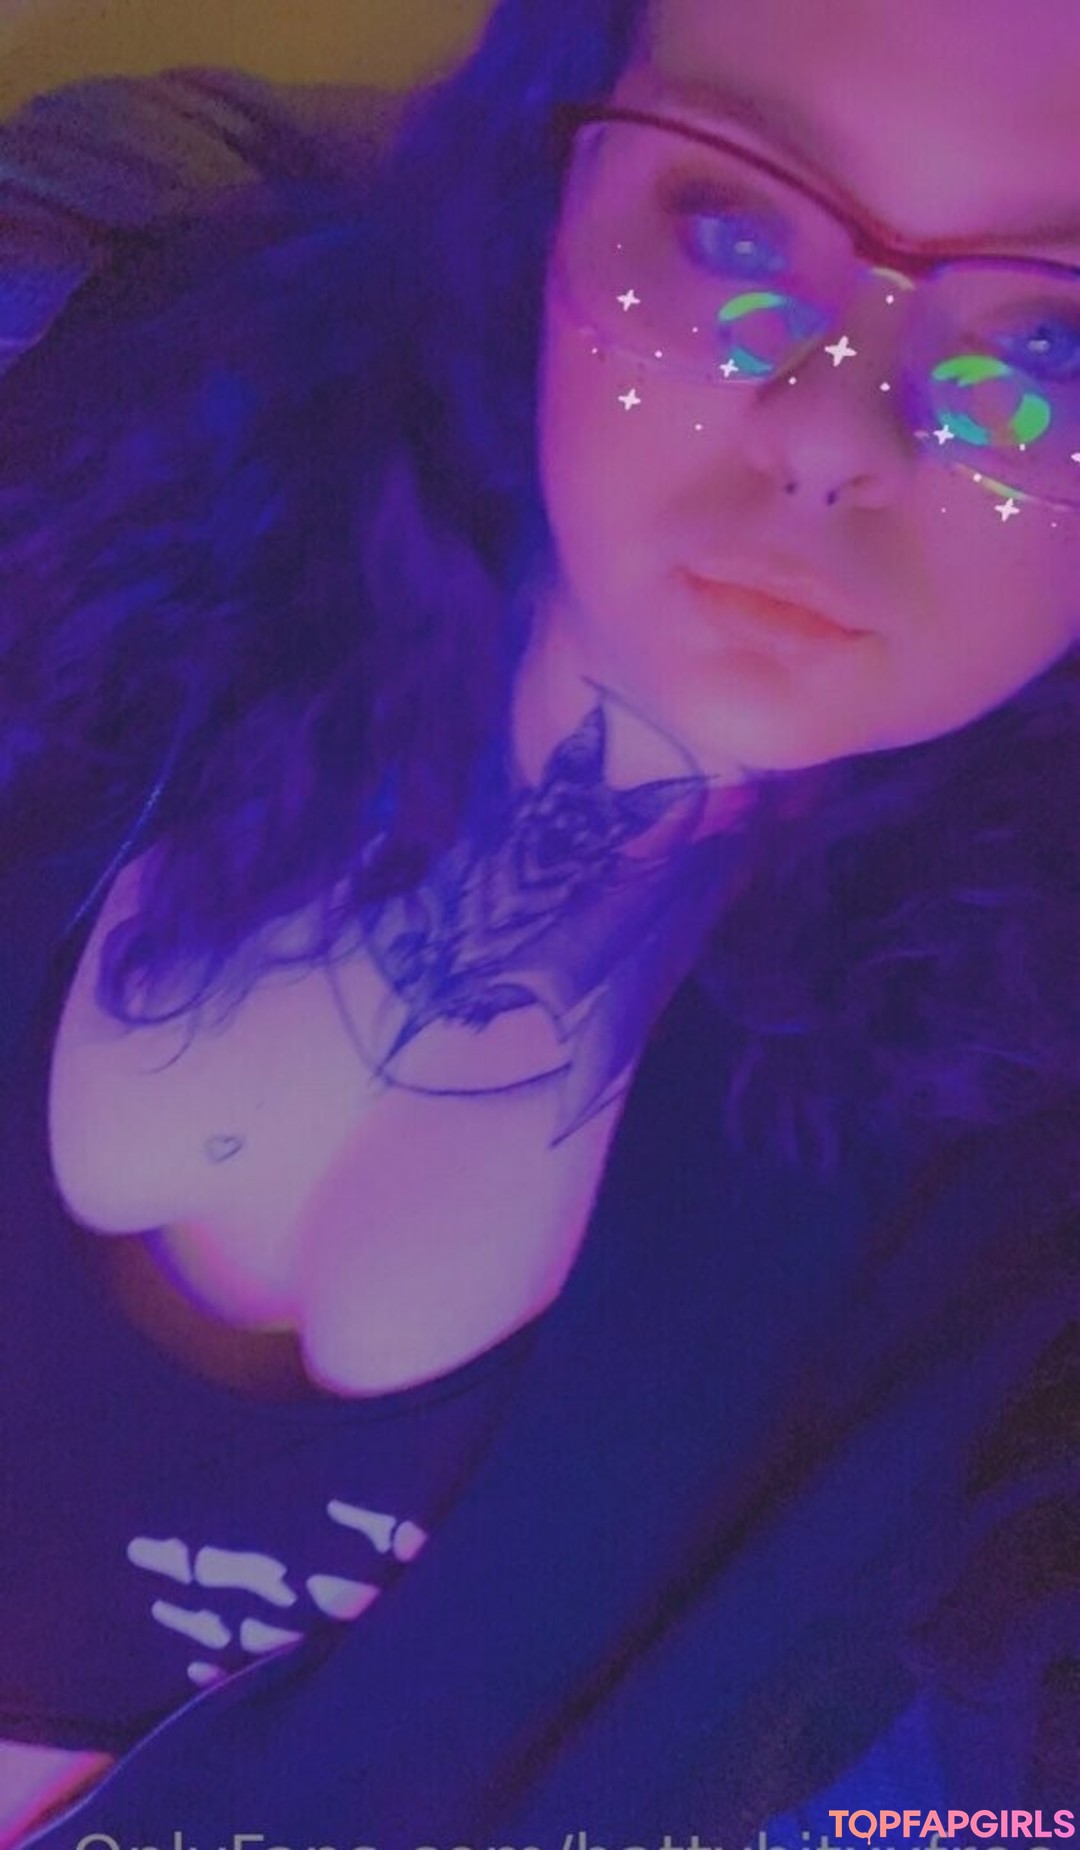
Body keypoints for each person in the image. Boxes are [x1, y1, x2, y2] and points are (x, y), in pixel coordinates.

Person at [0, 0, 1077, 1840]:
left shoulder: (1021, 1169)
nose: (833, 430)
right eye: (735, 229)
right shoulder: (111, 421)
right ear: (551, 175)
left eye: (1053, 344)